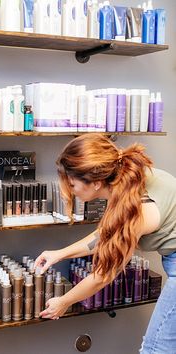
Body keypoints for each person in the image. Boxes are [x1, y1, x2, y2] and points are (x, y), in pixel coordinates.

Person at [34, 133, 176, 354]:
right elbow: (105, 234)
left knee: (156, 349)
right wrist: (60, 254)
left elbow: (103, 275)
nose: (70, 190)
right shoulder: (129, 177)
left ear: (96, 182)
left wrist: (63, 302)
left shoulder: (139, 211)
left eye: (72, 184)